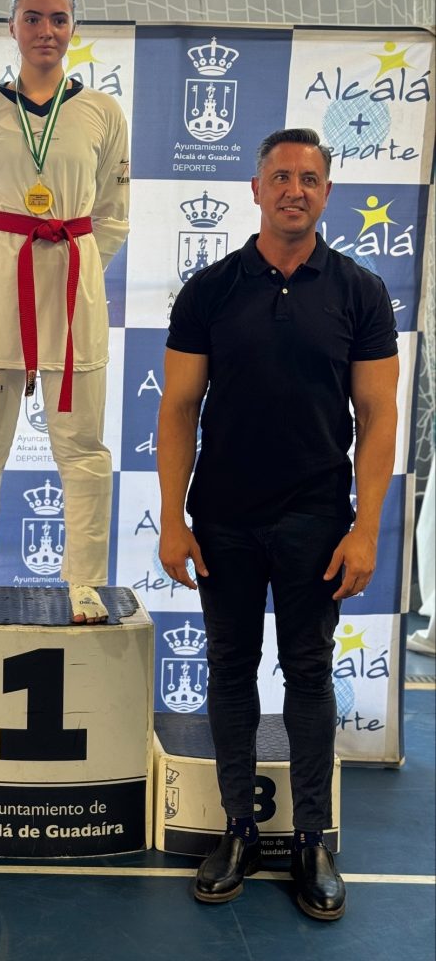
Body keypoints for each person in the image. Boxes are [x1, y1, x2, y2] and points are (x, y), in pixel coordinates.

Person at [157, 128, 398, 921]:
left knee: (308, 673)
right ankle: (237, 833)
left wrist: (364, 529)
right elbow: (178, 409)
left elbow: (377, 417)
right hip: (222, 517)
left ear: (325, 193)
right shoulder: (209, 290)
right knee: (229, 671)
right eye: (280, 177)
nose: (294, 189)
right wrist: (171, 518)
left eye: (309, 178)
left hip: (315, 519)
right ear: (255, 189)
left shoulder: (360, 293)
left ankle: (311, 842)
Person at [0, 0, 130, 625]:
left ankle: (85, 582)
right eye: (32, 17)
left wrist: (74, 271)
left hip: (74, 295)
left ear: (73, 28)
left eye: (57, 18)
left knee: (82, 448)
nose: (45, 30)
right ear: (12, 27)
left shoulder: (102, 111)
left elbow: (112, 215)